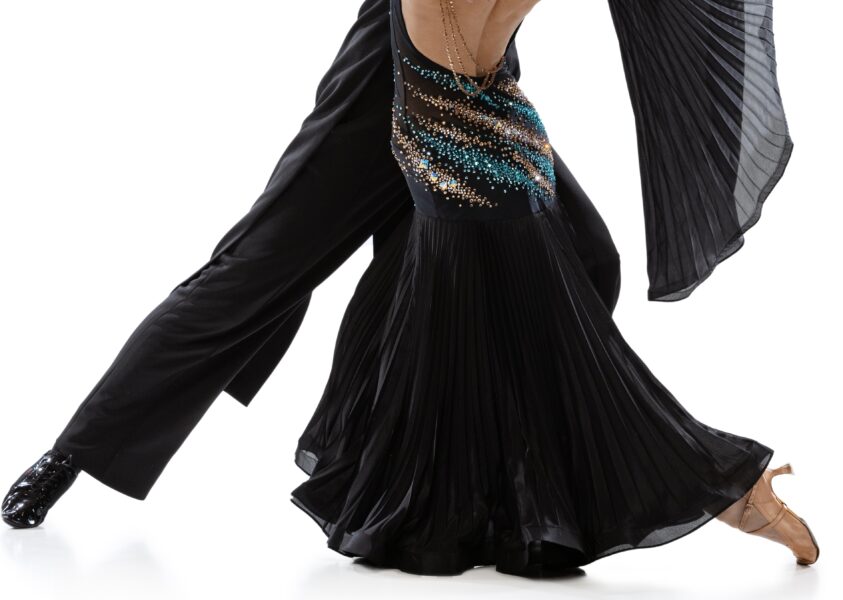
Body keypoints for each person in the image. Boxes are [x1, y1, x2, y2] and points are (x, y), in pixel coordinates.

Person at [2, 0, 818, 577]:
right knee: (252, 273)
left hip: (474, 82)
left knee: (578, 260)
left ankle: (455, 481)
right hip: (388, 81)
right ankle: (71, 456)